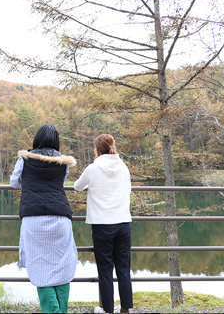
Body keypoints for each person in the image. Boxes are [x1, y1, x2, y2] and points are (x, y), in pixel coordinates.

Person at [10, 124, 78, 313]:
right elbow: (61, 183)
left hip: (34, 218)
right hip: (60, 217)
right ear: (56, 142)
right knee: (62, 266)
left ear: (37, 139)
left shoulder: (24, 160)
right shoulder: (63, 162)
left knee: (41, 269)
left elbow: (14, 182)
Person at [73, 134, 133, 314]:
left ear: (97, 150)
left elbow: (77, 186)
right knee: (123, 269)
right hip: (123, 222)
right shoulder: (123, 167)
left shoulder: (93, 168)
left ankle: (108, 310)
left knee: (105, 270)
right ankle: (125, 310)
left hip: (102, 224)